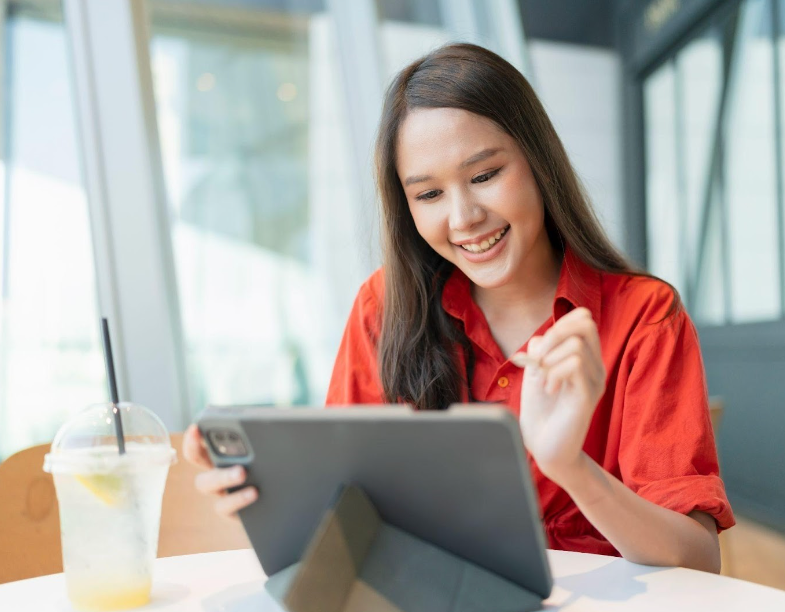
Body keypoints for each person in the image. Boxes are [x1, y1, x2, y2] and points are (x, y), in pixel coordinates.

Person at [183, 43, 734, 573]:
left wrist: (570, 466)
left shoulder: (643, 316)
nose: (464, 217)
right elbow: (349, 515)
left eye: (485, 175)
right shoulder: (384, 307)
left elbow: (696, 558)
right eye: (428, 195)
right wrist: (271, 488)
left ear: (538, 162)